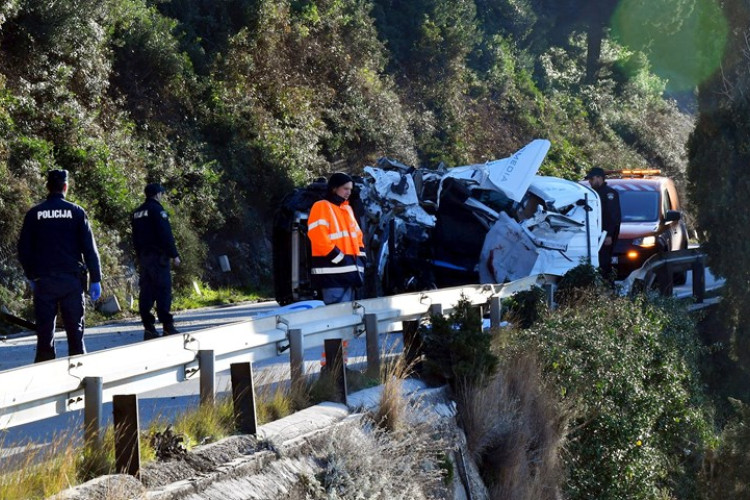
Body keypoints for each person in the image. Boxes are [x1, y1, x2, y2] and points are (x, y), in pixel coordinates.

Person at [18, 169, 102, 362]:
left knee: (45, 333)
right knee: (75, 333)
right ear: (65, 186)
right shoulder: (76, 212)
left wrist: (31, 275)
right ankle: (78, 371)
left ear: (47, 187)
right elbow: (90, 249)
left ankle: (45, 372)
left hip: (44, 281)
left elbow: (23, 249)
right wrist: (96, 279)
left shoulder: (34, 214)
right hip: (71, 281)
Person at [307, 172, 366, 304]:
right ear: (334, 188)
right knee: (338, 313)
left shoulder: (347, 209)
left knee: (349, 314)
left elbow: (358, 237)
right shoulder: (321, 206)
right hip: (332, 276)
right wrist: (339, 258)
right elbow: (318, 237)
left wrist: (361, 258)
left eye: (350, 189)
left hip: (350, 275)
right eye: (345, 188)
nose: (348, 192)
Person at [132, 183, 181, 339]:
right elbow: (165, 234)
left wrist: (139, 256)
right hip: (158, 258)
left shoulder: (137, 212)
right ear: (158, 194)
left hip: (144, 258)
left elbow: (134, 237)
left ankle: (149, 328)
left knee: (146, 292)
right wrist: (174, 255)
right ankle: (167, 326)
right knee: (163, 290)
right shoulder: (157, 210)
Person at [585, 166, 622, 279]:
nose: (590, 182)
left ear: (599, 178)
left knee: (604, 261)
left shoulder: (609, 194)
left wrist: (608, 234)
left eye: (591, 179)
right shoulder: (592, 193)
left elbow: (612, 216)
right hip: (594, 232)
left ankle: (607, 284)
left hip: (604, 234)